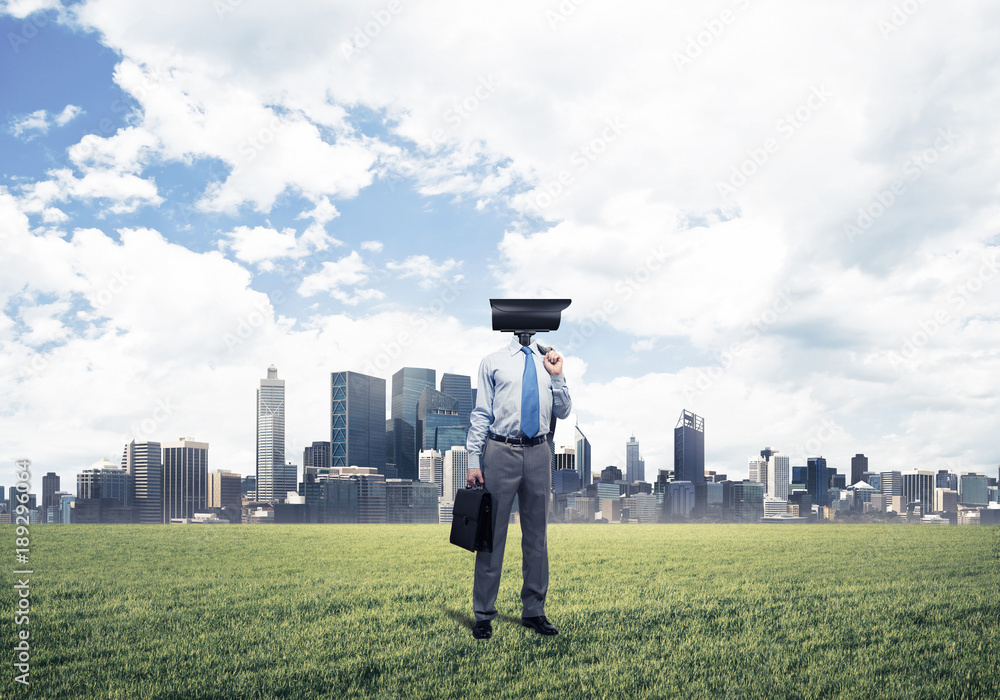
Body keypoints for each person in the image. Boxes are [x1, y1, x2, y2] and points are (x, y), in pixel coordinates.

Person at [465, 336, 572, 640]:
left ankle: (534, 611)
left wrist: (558, 375)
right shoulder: (493, 361)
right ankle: (484, 615)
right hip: (500, 451)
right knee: (491, 537)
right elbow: (482, 413)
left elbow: (563, 412)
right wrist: (474, 459)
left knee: (537, 537)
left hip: (539, 451)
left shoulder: (549, 361)